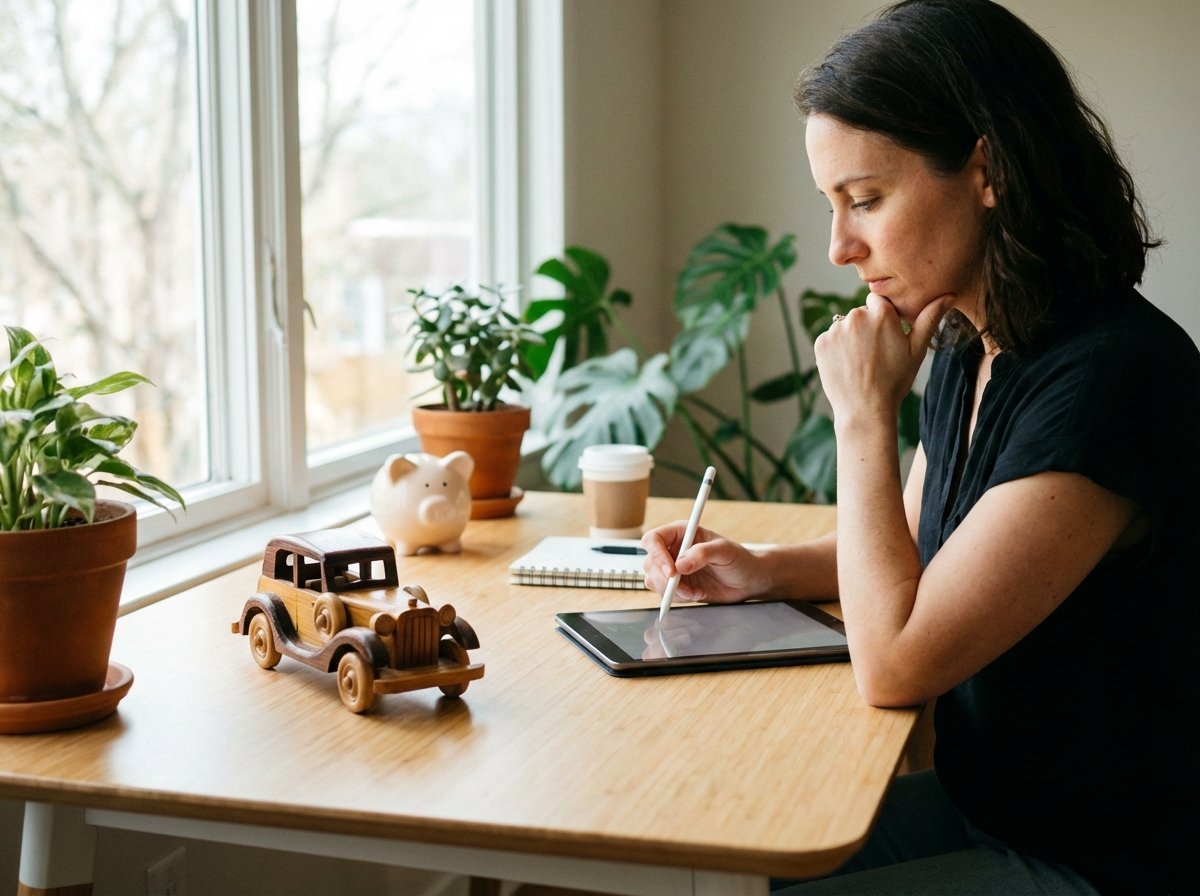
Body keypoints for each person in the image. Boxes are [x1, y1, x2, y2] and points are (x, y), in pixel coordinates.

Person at [640, 1, 1200, 893]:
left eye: (864, 199)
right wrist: (763, 567)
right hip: (996, 809)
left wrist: (863, 418)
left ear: (986, 170)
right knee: (714, 852)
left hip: (1104, 862)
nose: (839, 246)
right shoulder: (978, 341)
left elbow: (897, 663)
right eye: (833, 205)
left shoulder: (1112, 380)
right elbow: (917, 556)